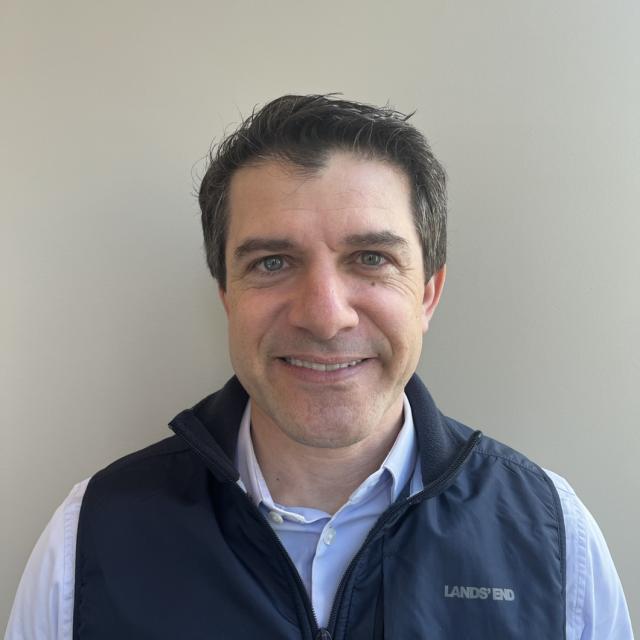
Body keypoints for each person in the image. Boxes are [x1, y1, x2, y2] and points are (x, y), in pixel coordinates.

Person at [6, 94, 633, 639]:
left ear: (428, 294)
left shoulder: (553, 536)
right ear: (225, 294)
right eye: (272, 262)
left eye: (370, 258)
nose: (324, 316)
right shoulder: (90, 536)